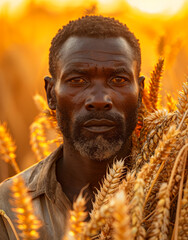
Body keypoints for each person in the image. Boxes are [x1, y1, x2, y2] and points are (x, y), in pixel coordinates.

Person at [0, 15, 144, 239]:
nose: (99, 99)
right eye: (78, 80)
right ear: (50, 94)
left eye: (118, 80)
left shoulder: (179, 194)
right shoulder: (5, 209)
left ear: (141, 93)